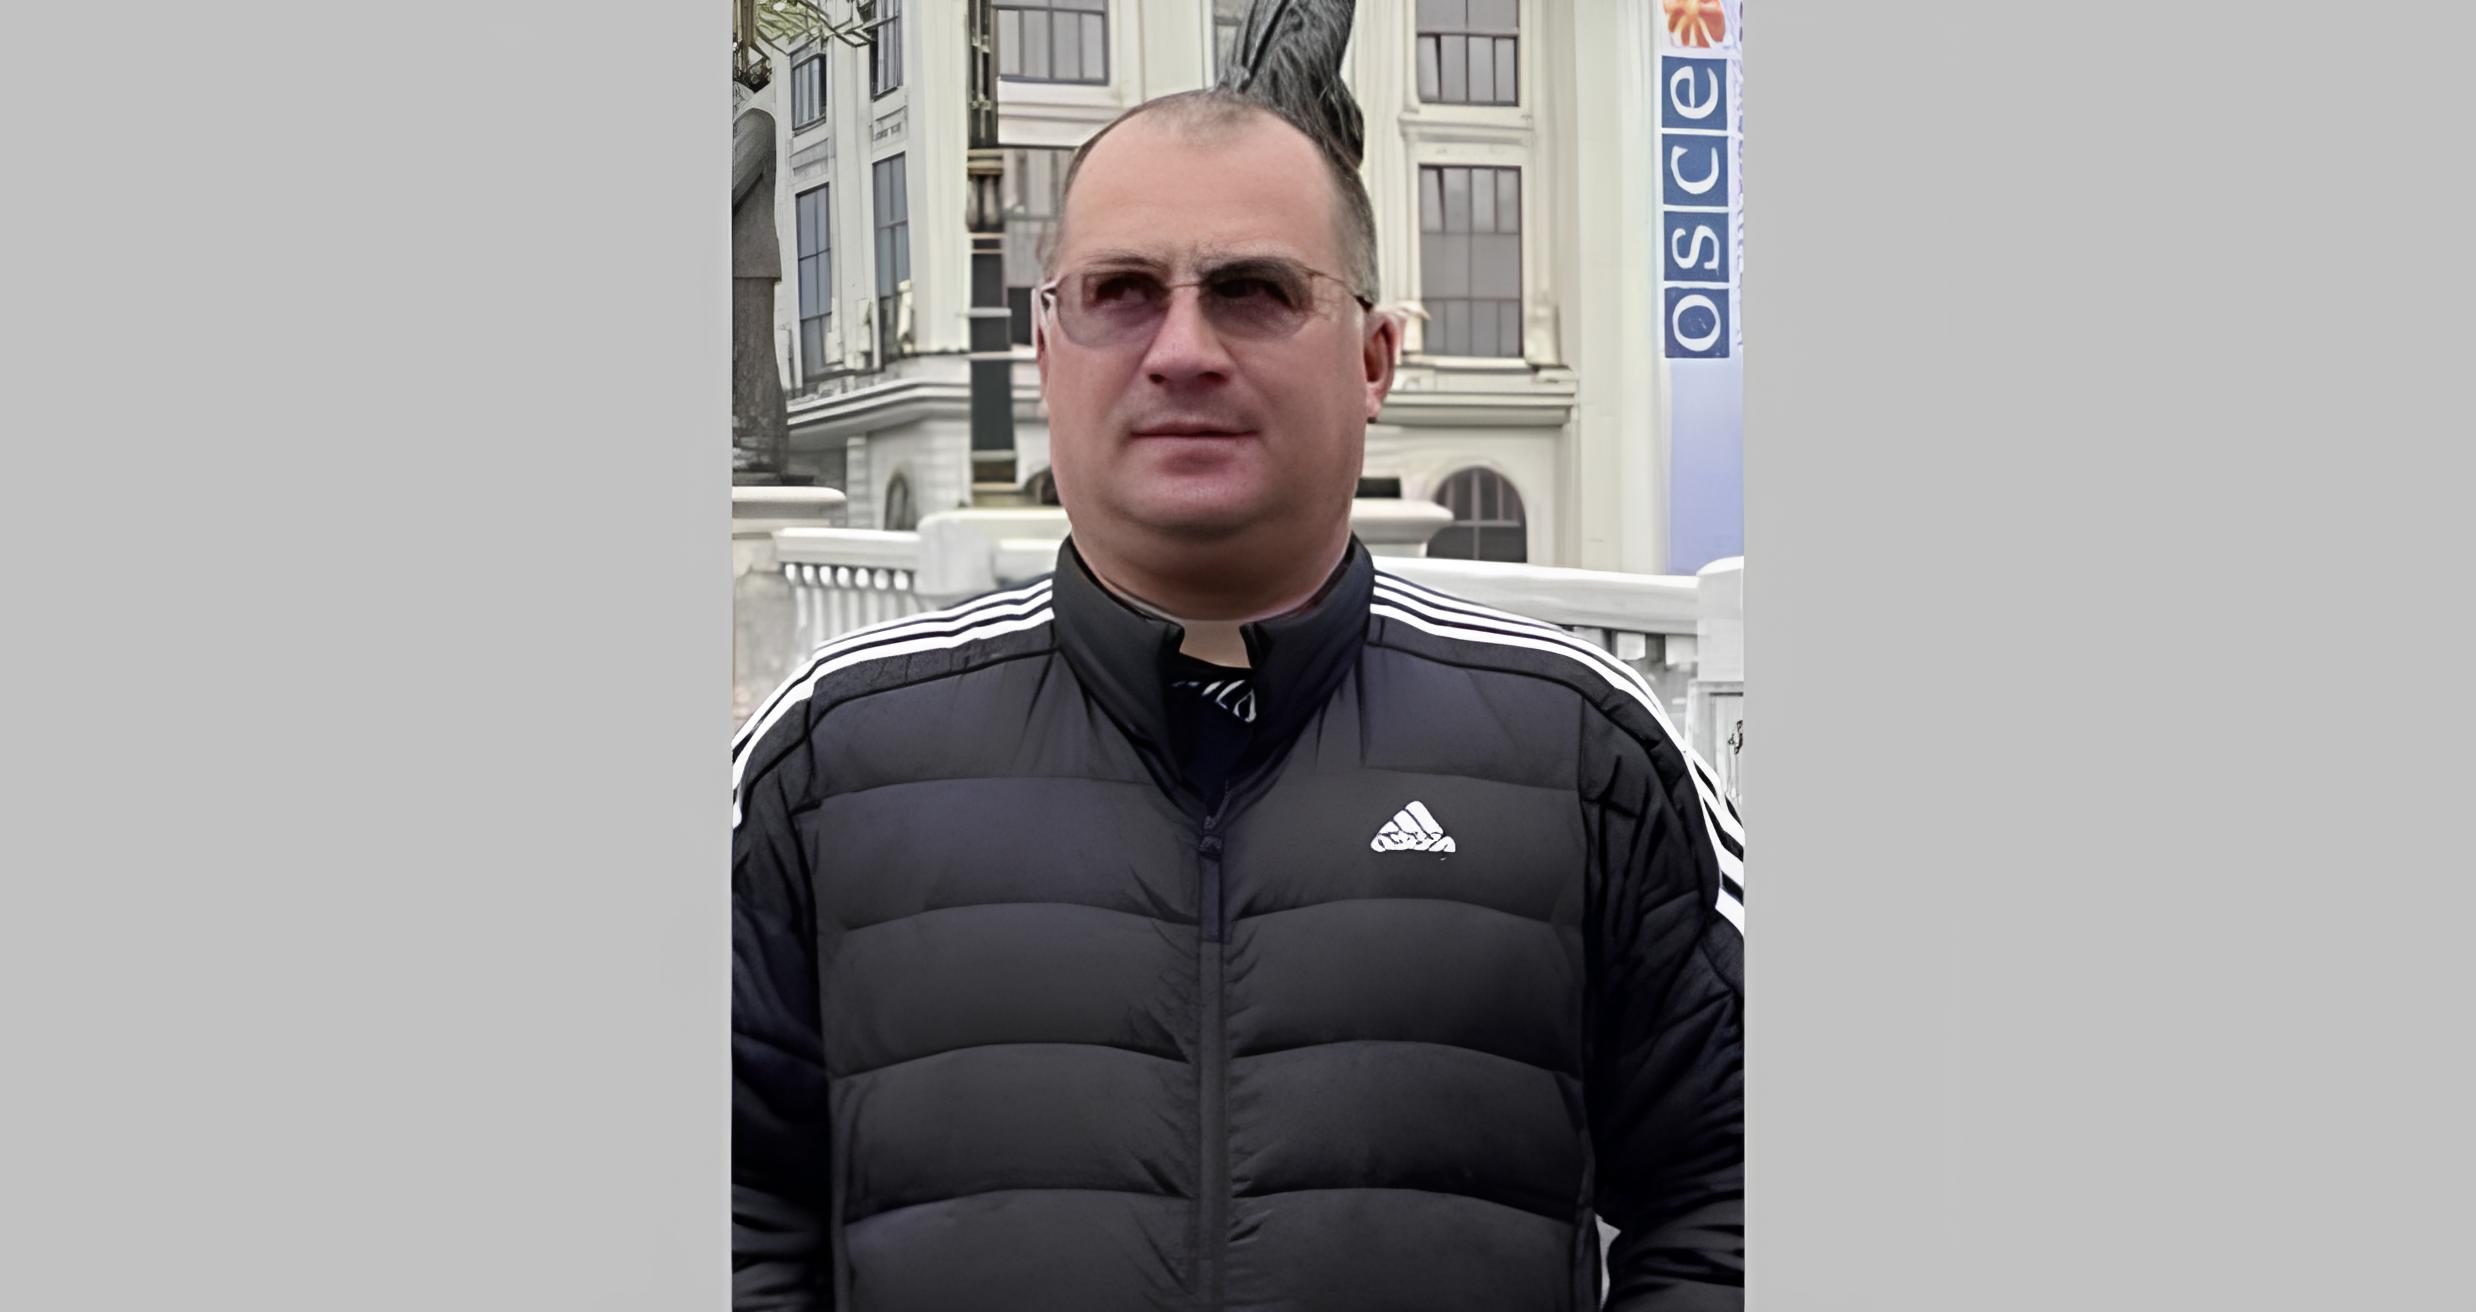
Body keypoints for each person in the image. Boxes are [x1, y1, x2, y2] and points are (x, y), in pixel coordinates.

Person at [732, 82, 1744, 1312]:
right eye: (1120, 294)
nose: (1183, 349)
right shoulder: (828, 762)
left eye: (1254, 292)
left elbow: (1730, 1190)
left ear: (1373, 360)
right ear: (1045, 352)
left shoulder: (1583, 752)